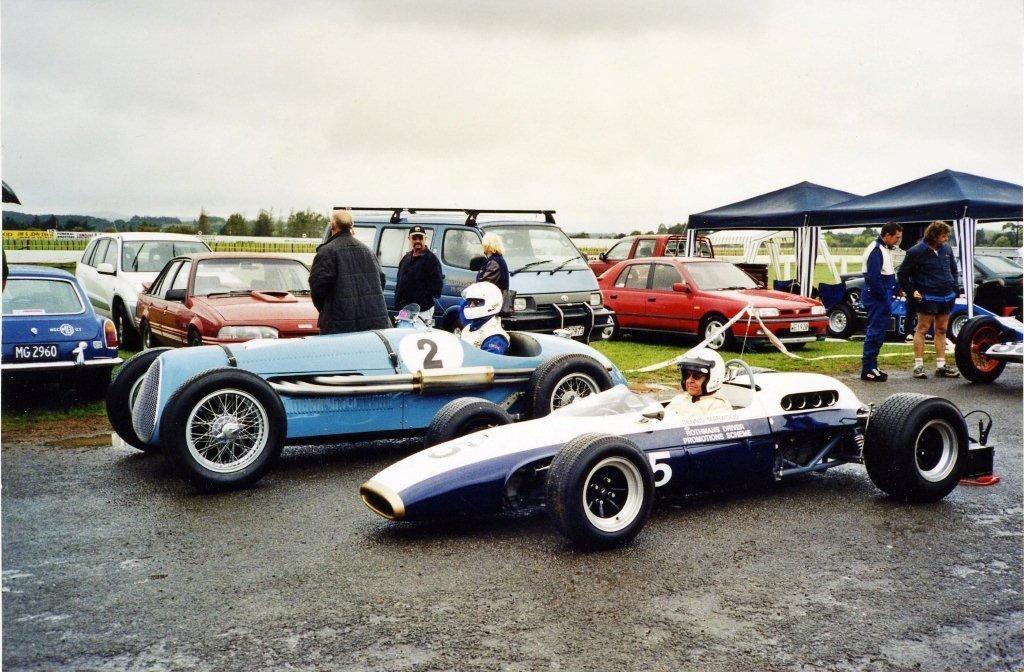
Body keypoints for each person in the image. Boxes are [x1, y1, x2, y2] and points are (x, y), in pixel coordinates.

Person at [309, 209, 390, 335]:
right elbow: (381, 281)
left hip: (338, 325)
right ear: (351, 226)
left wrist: (327, 310)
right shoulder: (368, 251)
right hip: (373, 323)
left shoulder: (326, 252)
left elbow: (317, 289)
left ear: (333, 226)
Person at [898, 220, 960, 379]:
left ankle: (941, 366)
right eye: (944, 236)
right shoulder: (915, 252)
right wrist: (912, 291)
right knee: (923, 329)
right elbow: (903, 274)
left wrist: (954, 287)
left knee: (942, 329)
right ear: (934, 236)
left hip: (946, 296)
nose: (946, 239)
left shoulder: (946, 249)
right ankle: (918, 366)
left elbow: (953, 269)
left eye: (947, 236)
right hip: (927, 296)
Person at [859, 222, 903, 382]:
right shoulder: (876, 249)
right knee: (875, 331)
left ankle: (873, 365)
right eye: (897, 237)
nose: (898, 241)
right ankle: (868, 368)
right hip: (877, 297)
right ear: (887, 235)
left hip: (883, 294)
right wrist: (883, 297)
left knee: (879, 332)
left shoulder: (884, 248)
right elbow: (873, 277)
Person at [394, 225, 444, 327]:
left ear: (425, 239)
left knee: (421, 336)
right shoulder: (406, 258)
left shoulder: (431, 260)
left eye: (420, 238)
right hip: (405, 310)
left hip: (423, 311)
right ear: (409, 239)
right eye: (414, 238)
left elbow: (437, 287)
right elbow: (400, 282)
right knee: (403, 336)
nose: (417, 241)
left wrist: (421, 298)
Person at [665, 348, 732, 418]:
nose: (689, 380)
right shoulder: (680, 398)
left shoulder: (720, 406)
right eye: (687, 375)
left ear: (713, 378)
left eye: (696, 376)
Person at [458, 282, 510, 354]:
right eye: (469, 302)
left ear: (491, 304)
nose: (471, 306)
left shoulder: (495, 336)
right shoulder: (468, 328)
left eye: (477, 302)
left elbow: (487, 363)